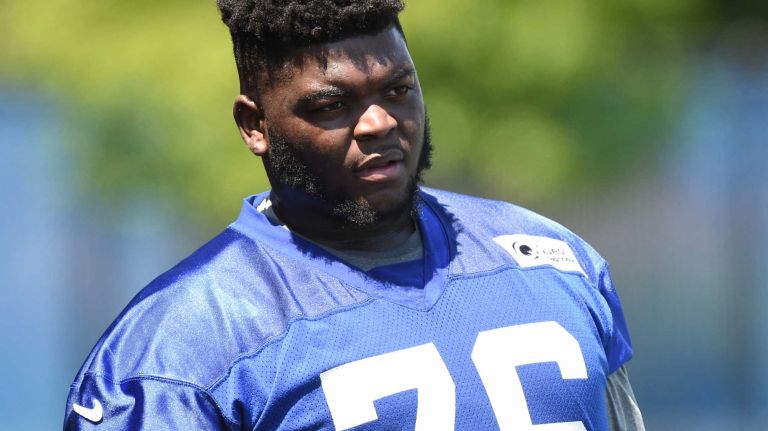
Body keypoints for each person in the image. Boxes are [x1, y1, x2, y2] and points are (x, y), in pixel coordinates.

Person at [64, 0, 645, 429]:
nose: (379, 124)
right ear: (256, 126)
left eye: (397, 90)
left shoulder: (554, 262)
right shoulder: (179, 348)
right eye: (333, 105)